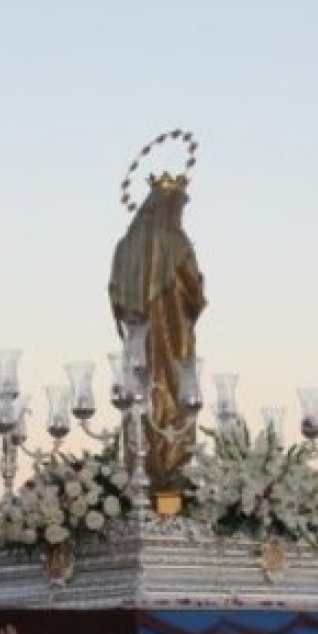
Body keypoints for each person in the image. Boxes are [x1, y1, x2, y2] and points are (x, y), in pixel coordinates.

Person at [108, 167, 207, 494]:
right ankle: (170, 478)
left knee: (139, 398)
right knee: (174, 395)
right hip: (174, 335)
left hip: (138, 341)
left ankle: (141, 471)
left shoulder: (125, 245)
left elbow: (115, 296)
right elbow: (195, 292)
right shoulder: (177, 241)